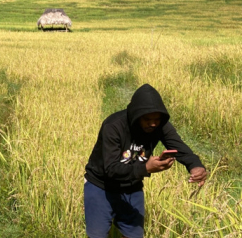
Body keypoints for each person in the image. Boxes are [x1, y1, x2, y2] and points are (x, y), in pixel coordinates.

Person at [84, 83, 207, 238]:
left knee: (134, 235)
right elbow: (111, 169)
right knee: (97, 235)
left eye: (157, 119)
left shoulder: (160, 125)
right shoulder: (113, 126)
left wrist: (195, 166)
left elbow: (179, 147)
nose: (153, 123)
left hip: (132, 186)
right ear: (135, 116)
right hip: (101, 186)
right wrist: (145, 168)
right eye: (147, 119)